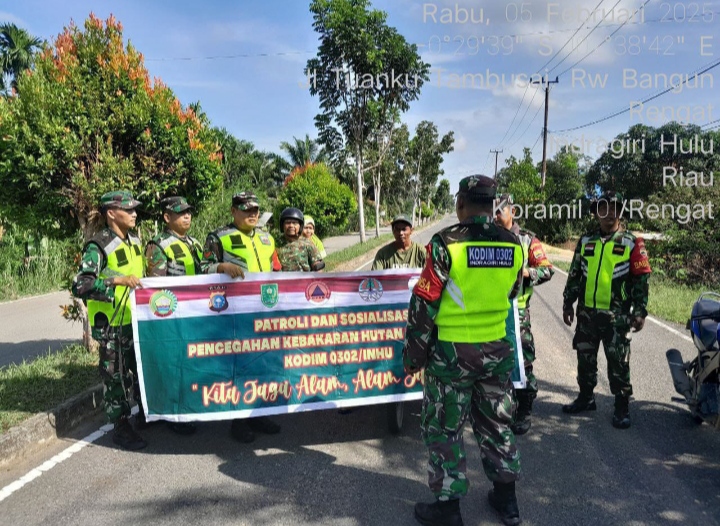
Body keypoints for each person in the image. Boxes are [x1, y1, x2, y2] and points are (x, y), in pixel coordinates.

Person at [403, 175, 524, 526]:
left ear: (460, 204)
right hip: (497, 353)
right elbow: (514, 292)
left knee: (444, 428)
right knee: (496, 424)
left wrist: (414, 357)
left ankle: (448, 508)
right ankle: (507, 501)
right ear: (492, 205)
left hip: (452, 356)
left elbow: (424, 304)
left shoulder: (446, 243)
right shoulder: (513, 243)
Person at [144, 196, 245, 435]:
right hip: (171, 315)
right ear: (167, 217)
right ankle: (172, 414)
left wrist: (220, 268)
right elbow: (154, 286)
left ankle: (188, 408)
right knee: (173, 364)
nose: (187, 216)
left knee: (189, 364)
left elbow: (203, 271)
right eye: (180, 213)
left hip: (194, 315)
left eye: (188, 212)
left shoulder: (195, 243)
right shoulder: (158, 245)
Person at [562, 191, 651, 429]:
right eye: (602, 207)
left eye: (613, 207)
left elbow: (641, 279)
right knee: (585, 359)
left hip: (617, 317)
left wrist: (640, 311)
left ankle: (621, 407)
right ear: (596, 213)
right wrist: (567, 302)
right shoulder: (585, 241)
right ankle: (586, 397)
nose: (608, 212)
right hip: (587, 314)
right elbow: (574, 274)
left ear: (620, 211)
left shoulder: (632, 242)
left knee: (619, 363)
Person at [203, 191, 282, 443]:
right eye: (246, 210)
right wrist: (220, 267)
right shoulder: (219, 238)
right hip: (235, 314)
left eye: (255, 210)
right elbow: (200, 271)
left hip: (266, 312)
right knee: (240, 365)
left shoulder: (267, 238)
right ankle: (239, 419)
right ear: (233, 211)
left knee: (263, 363)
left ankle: (259, 412)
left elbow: (276, 270)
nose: (252, 214)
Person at [71, 190, 147, 451]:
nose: (135, 213)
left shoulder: (134, 241)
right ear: (112, 213)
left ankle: (143, 414)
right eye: (129, 209)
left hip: (136, 320)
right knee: (116, 376)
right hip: (113, 323)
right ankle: (121, 426)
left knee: (138, 370)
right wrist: (115, 281)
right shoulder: (98, 244)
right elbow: (81, 284)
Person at [494, 194, 554, 436]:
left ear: (512, 212)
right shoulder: (487, 237)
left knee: (523, 362)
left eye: (500, 211)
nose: (496, 215)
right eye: (493, 211)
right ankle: (501, 406)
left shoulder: (527, 240)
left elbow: (547, 270)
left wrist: (526, 273)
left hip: (517, 313)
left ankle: (524, 409)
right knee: (495, 362)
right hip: (492, 312)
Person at [276, 208, 325, 272]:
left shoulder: (307, 243)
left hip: (305, 281)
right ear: (282, 225)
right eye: (287, 223)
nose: (291, 225)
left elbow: (318, 267)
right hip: (283, 281)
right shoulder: (276, 243)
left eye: (294, 223)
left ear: (300, 226)